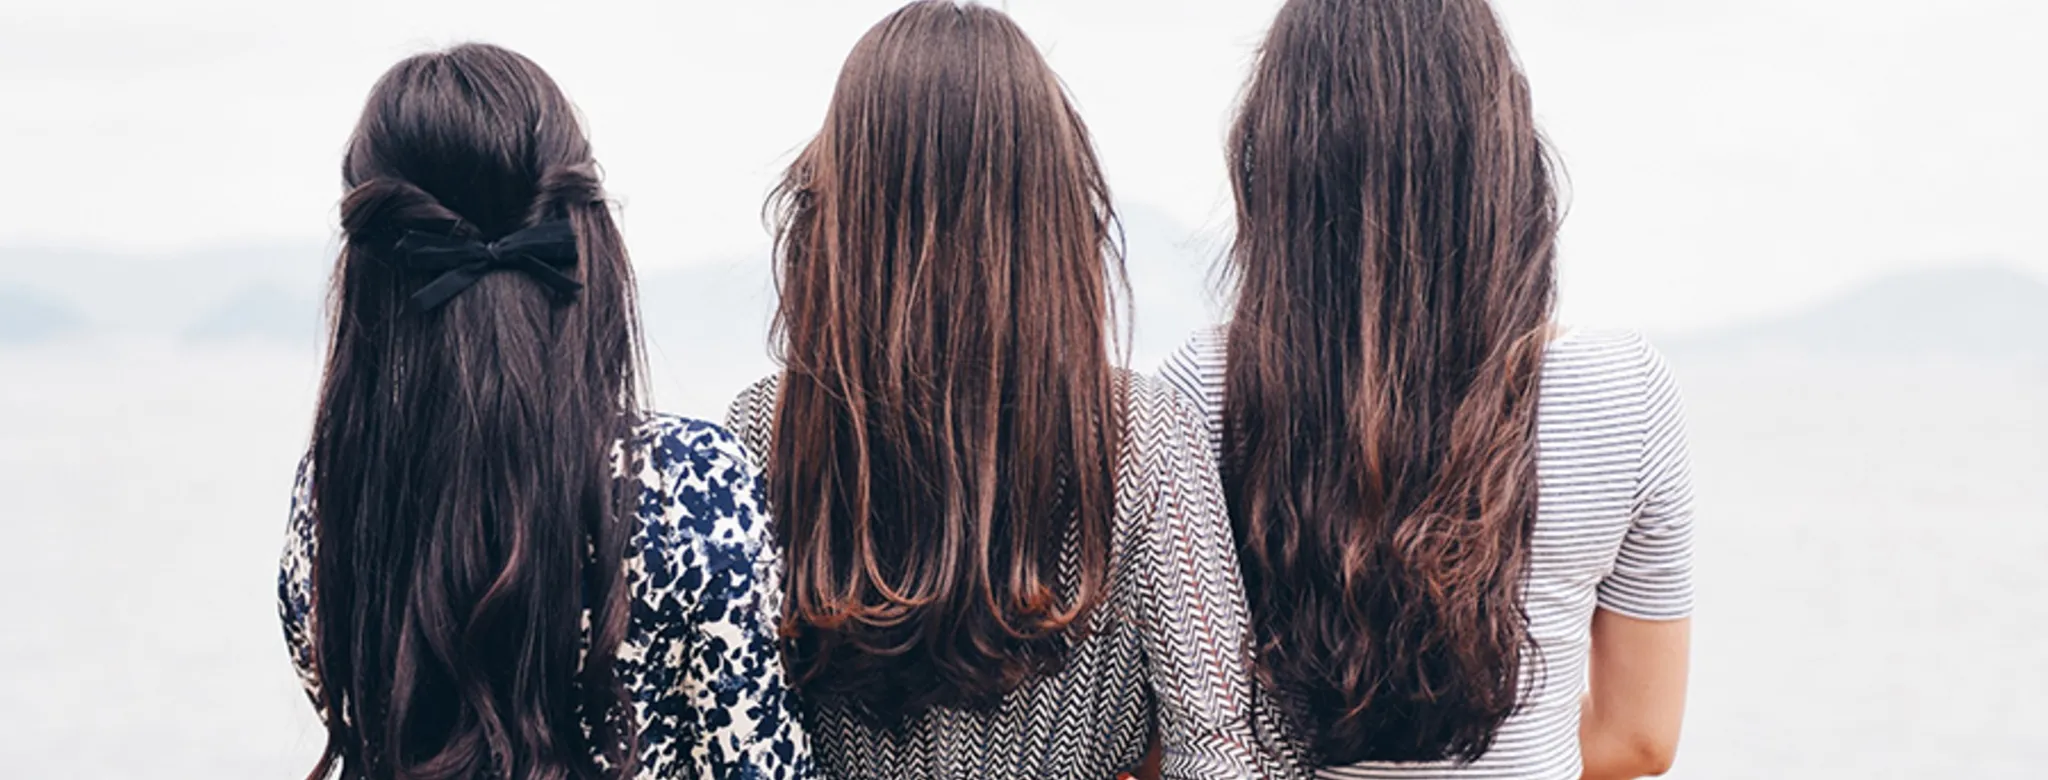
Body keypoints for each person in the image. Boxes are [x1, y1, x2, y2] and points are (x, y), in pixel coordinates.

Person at [720, 3, 1296, 778]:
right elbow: (1220, 747)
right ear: (1052, 208)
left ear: (841, 210)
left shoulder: (765, 432)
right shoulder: (1145, 432)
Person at [1157, 1, 1695, 777]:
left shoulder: (1199, 392)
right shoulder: (1623, 393)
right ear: (1505, 157)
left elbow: (1172, 734)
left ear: (1273, 157)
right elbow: (1639, 736)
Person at [276, 43, 812, 780]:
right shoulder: (694, 486)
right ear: (587, 238)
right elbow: (757, 759)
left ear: (369, 275)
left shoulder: (334, 496)